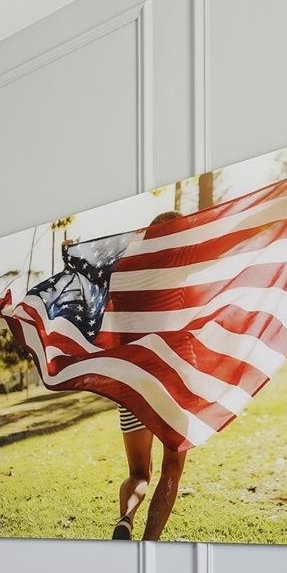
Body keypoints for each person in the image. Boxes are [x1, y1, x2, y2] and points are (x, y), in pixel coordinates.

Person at [112, 210, 191, 542]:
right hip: (176, 374)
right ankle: (150, 542)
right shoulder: (186, 270)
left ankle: (126, 517)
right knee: (172, 465)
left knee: (138, 472)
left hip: (133, 378)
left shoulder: (123, 273)